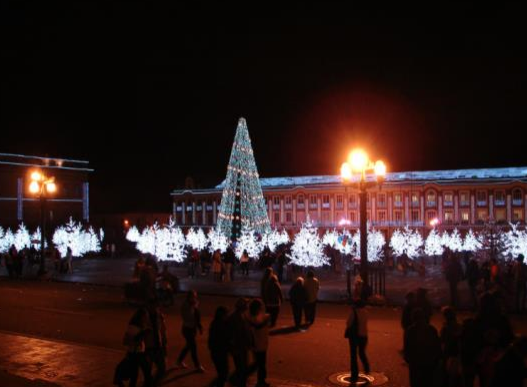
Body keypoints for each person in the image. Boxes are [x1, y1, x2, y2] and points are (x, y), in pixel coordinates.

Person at [404, 308, 442, 387]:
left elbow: (408, 346)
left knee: (416, 382)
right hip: (428, 361)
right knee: (427, 381)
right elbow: (437, 346)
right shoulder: (431, 329)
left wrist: (408, 358)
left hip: (416, 362)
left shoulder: (411, 330)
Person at [115, 306, 152, 387]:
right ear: (141, 316)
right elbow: (128, 341)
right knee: (139, 373)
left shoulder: (141, 325)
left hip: (139, 352)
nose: (146, 318)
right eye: (145, 316)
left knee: (139, 373)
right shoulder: (133, 327)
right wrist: (143, 334)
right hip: (135, 353)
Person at [227, 298, 254, 387]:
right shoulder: (234, 318)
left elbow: (247, 330)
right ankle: (240, 383)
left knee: (244, 366)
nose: (247, 307)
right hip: (238, 348)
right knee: (240, 368)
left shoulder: (243, 315)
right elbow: (234, 334)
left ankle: (241, 381)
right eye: (246, 305)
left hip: (243, 346)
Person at [176, 290, 205, 372]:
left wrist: (199, 327)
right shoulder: (185, 305)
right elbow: (188, 318)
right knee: (193, 347)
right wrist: (193, 307)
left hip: (192, 329)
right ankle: (197, 365)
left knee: (189, 346)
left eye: (195, 296)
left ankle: (179, 361)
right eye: (193, 296)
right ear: (189, 297)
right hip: (187, 329)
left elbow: (197, 317)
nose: (195, 298)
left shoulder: (194, 304)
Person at [345, 299, 370, 383]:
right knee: (362, 352)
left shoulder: (354, 312)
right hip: (364, 335)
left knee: (353, 355)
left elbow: (348, 323)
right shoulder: (366, 312)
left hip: (355, 336)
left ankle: (354, 374)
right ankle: (366, 367)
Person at [247, 299, 270, 387]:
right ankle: (260, 381)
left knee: (259, 364)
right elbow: (258, 326)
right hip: (258, 344)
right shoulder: (254, 318)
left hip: (259, 344)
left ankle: (261, 380)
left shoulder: (252, 317)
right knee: (260, 364)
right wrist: (266, 320)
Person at [144, 298, 167, 386]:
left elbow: (163, 329)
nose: (154, 308)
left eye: (156, 306)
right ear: (148, 306)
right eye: (152, 306)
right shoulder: (144, 316)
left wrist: (164, 342)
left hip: (158, 345)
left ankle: (153, 383)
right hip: (148, 347)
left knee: (162, 368)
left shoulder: (159, 316)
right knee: (148, 371)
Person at [439, 306, 462, 387]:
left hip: (448, 354)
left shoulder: (446, 328)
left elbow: (442, 341)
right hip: (458, 354)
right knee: (456, 378)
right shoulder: (459, 326)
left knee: (446, 377)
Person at [208, 306, 230, 387]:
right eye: (226, 314)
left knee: (222, 373)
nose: (227, 316)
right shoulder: (220, 325)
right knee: (223, 373)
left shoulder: (216, 323)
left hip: (217, 352)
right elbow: (223, 339)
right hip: (219, 352)